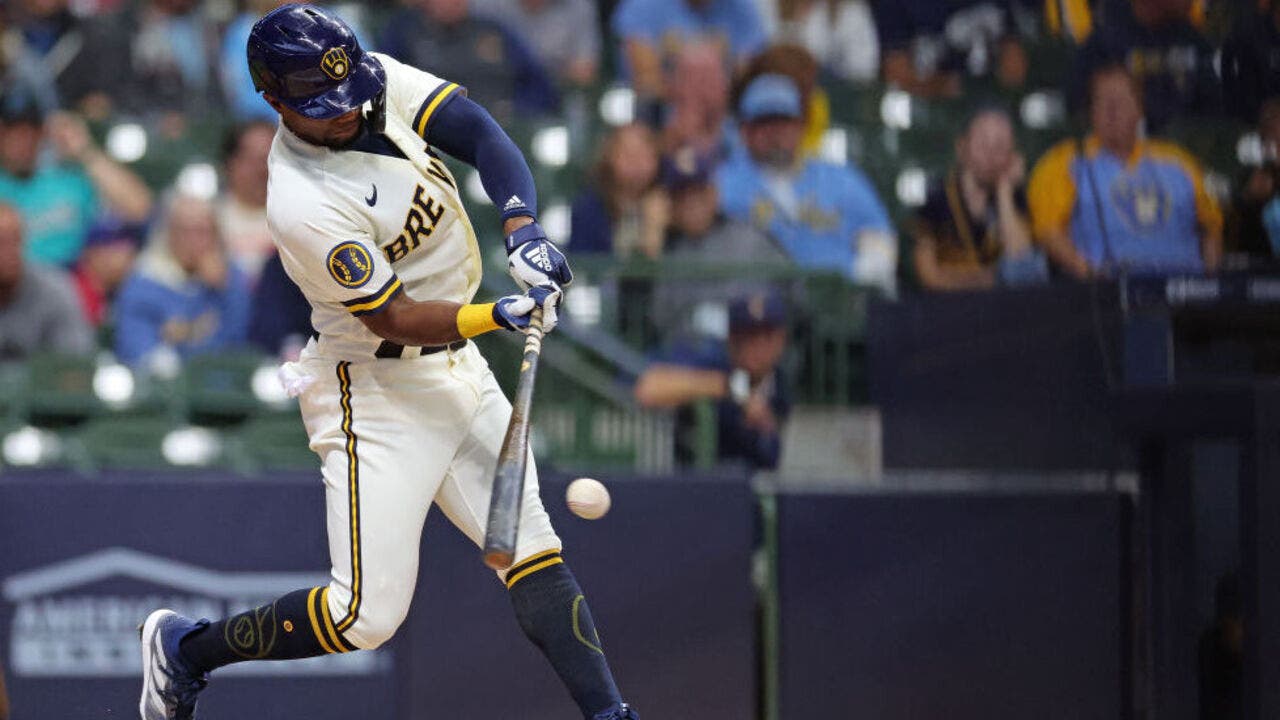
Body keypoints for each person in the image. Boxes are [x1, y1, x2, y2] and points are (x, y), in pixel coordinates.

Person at [137, 7, 638, 720]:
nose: (346, 114)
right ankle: (186, 650)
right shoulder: (301, 202)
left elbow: (479, 131)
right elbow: (392, 317)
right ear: (275, 101)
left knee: (531, 550)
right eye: (322, 107)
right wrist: (494, 314)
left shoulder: (370, 80)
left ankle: (612, 715)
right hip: (373, 387)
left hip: (455, 367)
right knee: (361, 618)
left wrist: (523, 226)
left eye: (347, 95)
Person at [1027, 64, 1223, 278]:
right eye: (1103, 101)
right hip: (1107, 297)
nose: (1112, 110)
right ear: (1091, 111)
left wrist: (1209, 283)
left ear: (1139, 109)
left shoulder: (1179, 161)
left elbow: (1211, 227)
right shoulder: (1062, 162)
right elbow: (1048, 232)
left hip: (1185, 294)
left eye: (1121, 100)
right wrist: (1087, 272)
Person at [716, 73, 897, 291]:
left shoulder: (842, 179)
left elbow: (878, 237)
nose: (776, 134)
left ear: (800, 127)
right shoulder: (722, 183)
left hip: (837, 302)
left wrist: (861, 276)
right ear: (745, 131)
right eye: (765, 123)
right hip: (757, 307)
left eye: (784, 122)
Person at [635, 291, 791, 469]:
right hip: (702, 485)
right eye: (748, 336)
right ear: (731, 339)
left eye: (767, 336)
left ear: (781, 339)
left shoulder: (780, 380)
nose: (758, 346)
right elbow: (648, 387)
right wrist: (732, 388)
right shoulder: (712, 363)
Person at [651, 145, 789, 345]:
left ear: (714, 194)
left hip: (750, 351)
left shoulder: (751, 238)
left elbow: (793, 297)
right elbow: (661, 321)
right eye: (682, 197)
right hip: (688, 361)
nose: (691, 203)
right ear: (671, 206)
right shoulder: (669, 252)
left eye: (699, 193)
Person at [0, 98, 152, 267]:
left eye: (31, 131)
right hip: (13, 283)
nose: (23, 141)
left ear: (43, 133)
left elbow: (139, 208)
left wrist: (83, 149)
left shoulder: (67, 180)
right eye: (13, 132)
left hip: (72, 279)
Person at [112, 190, 251, 369]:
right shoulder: (145, 281)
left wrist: (227, 289)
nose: (193, 241)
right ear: (168, 233)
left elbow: (240, 344)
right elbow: (138, 350)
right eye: (184, 231)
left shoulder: (230, 280)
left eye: (202, 231)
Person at [913, 108, 1046, 290]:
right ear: (962, 148)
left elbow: (1023, 267)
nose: (991, 155)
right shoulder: (937, 199)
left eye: (1000, 146)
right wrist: (990, 280)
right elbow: (928, 275)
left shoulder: (1015, 198)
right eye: (983, 144)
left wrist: (1004, 193)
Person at [379, 0, 559, 124]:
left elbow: (540, 86)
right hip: (431, 131)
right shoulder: (405, 32)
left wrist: (515, 110)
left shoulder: (494, 31)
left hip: (499, 129)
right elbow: (383, 84)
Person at [1069, 0, 1219, 132]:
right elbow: (1079, 108)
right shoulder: (1104, 43)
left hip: (1182, 148)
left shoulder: (1192, 41)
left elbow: (1214, 108)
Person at [610, 0, 767, 102]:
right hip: (657, 115)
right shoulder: (643, 5)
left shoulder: (741, 7)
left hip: (723, 113)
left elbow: (749, 71)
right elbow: (646, 77)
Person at [0, 202, 94, 360]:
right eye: (1, 243)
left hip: (38, 384)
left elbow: (74, 365)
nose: (9, 252)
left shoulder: (54, 290)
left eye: (15, 240)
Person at [570, 123, 665, 257]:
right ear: (609, 158)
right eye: (628, 155)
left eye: (645, 155)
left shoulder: (674, 199)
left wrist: (654, 228)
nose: (637, 164)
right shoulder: (588, 207)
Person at [471, 0, 602, 88]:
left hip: (557, 95)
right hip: (500, 91)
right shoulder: (485, 5)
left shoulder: (577, 6)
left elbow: (585, 73)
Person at [216, 120, 275, 282]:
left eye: (269, 159)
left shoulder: (300, 219)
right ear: (229, 164)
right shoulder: (206, 219)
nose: (262, 170)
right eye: (252, 160)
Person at [1226, 99, 1280, 262]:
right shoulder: (1253, 176)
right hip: (1259, 269)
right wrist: (1249, 199)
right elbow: (1233, 232)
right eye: (1268, 134)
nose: (1272, 142)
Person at [71, 215, 144, 327]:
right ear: (92, 253)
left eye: (130, 248)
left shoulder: (119, 293)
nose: (128, 256)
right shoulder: (72, 292)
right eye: (118, 249)